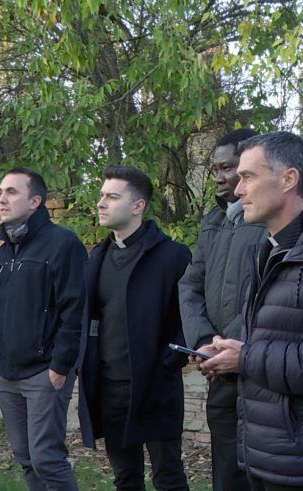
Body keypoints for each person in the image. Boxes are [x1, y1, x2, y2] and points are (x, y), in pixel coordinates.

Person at [195, 131, 303, 491]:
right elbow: (274, 337)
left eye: (248, 176)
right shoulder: (273, 250)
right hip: (267, 453)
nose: (238, 189)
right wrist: (228, 351)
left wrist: (245, 358)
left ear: (289, 179)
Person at [78, 165, 192, 491]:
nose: (101, 203)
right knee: (125, 477)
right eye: (102, 195)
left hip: (156, 386)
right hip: (109, 387)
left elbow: (189, 317)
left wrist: (168, 363)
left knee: (168, 476)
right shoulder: (97, 257)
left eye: (112, 197)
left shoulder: (173, 256)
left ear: (138, 205)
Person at [0, 168, 87, 490]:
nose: (2, 199)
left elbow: (76, 309)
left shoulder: (62, 243)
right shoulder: (5, 251)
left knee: (47, 459)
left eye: (12, 192)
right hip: (4, 372)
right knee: (25, 456)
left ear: (35, 201)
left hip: (43, 373)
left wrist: (60, 365)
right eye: (1, 191)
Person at [178, 128, 266, 491]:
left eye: (228, 168)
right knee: (226, 476)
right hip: (220, 373)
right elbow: (189, 285)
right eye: (216, 168)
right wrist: (203, 341)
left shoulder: (269, 222)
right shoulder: (213, 222)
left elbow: (270, 295)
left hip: (259, 370)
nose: (219, 177)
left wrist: (229, 345)